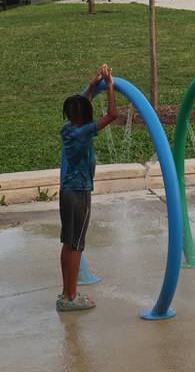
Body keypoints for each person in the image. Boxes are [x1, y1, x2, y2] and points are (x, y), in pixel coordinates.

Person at [57, 64, 120, 312]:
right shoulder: (84, 133)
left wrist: (94, 85)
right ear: (84, 116)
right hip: (79, 194)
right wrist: (111, 86)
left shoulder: (68, 129)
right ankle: (72, 297)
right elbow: (113, 114)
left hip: (66, 192)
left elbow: (81, 104)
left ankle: (66, 293)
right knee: (76, 245)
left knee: (68, 243)